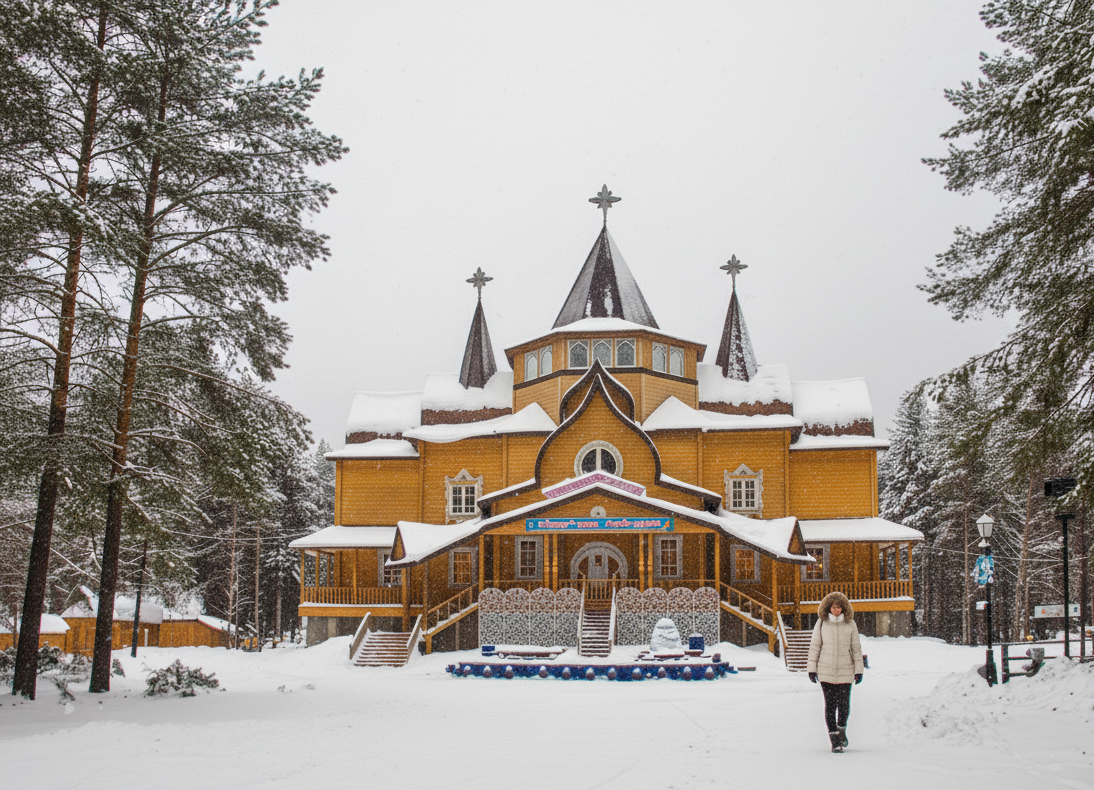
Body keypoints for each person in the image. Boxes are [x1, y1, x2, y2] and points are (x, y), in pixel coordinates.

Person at [806, 591, 864, 753]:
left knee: (844, 706)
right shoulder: (822, 623)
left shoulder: (850, 623)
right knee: (830, 706)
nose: (836, 610)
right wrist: (812, 669)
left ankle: (842, 729)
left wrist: (859, 671)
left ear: (843, 608)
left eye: (839, 607)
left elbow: (856, 648)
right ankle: (834, 740)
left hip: (846, 671)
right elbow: (815, 646)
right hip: (826, 671)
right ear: (828, 608)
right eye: (833, 607)